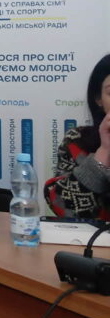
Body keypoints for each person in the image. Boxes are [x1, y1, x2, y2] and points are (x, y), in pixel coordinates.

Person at [45, 54, 110, 220]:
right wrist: (104, 152)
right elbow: (63, 207)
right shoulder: (76, 141)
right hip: (90, 236)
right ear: (99, 99)